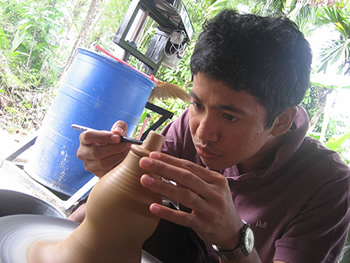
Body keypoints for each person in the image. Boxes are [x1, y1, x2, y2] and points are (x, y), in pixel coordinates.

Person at [69, 10, 350, 263]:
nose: (202, 134)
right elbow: (129, 192)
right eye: (198, 104)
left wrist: (234, 239)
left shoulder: (329, 185)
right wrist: (114, 168)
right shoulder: (189, 126)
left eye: (229, 117)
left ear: (281, 121)